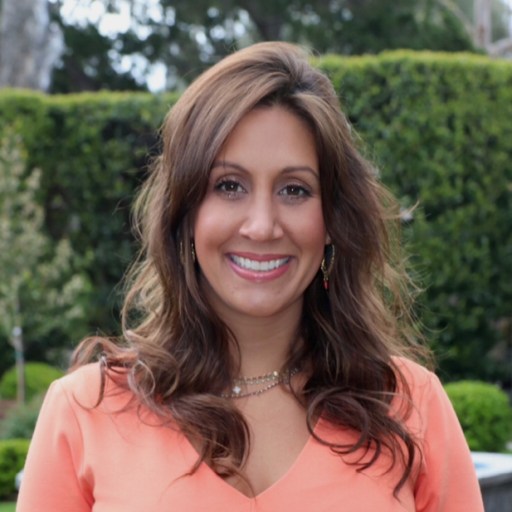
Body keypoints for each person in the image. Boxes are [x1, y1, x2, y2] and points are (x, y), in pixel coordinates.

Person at [16, 42, 483, 512]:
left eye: (295, 189)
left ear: (332, 222)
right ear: (186, 213)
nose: (262, 225)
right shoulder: (84, 412)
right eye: (229, 186)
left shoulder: (409, 405)